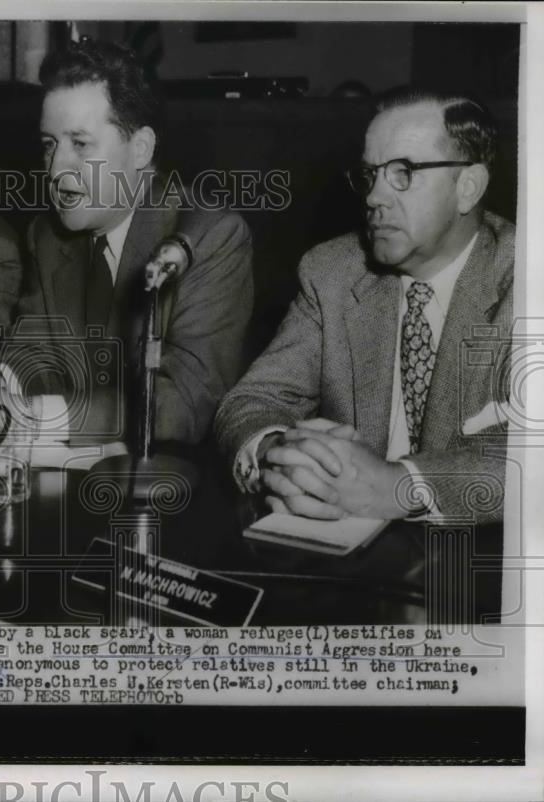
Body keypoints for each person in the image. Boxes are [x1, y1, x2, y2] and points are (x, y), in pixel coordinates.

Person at [214, 87, 513, 525]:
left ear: (468, 187)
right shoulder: (332, 272)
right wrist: (279, 453)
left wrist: (398, 486)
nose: (374, 197)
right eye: (370, 174)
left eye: (403, 172)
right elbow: (253, 399)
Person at [0, 39, 253, 453]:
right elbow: (34, 357)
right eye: (49, 144)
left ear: (140, 149)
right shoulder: (48, 235)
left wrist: (36, 415)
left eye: (80, 144)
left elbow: (188, 402)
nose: (55, 169)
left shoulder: (211, 236)